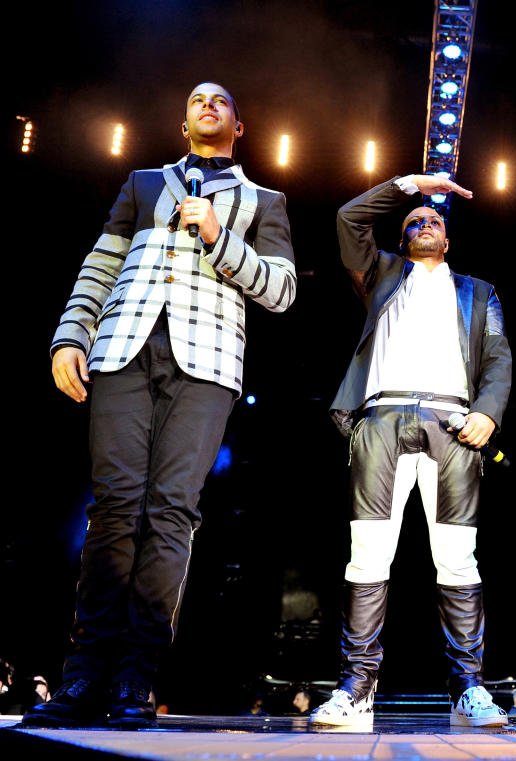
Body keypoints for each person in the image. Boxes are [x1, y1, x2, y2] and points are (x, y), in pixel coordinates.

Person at [24, 82, 296, 729]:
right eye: (197, 99)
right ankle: (84, 672)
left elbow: (282, 290)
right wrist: (71, 335)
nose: (207, 104)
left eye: (221, 100)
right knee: (115, 504)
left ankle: (134, 677)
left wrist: (219, 235)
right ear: (183, 124)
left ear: (238, 125)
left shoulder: (265, 201)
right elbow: (100, 263)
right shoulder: (143, 183)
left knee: (171, 511)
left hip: (207, 366)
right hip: (123, 346)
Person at [311, 174, 511, 729]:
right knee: (367, 555)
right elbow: (349, 218)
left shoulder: (478, 290)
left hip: (454, 426)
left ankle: (469, 688)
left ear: (447, 240)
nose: (424, 224)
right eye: (413, 223)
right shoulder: (380, 274)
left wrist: (488, 412)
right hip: (381, 418)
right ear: (402, 241)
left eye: (434, 221)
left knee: (457, 558)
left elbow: (497, 358)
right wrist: (406, 187)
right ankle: (356, 687)